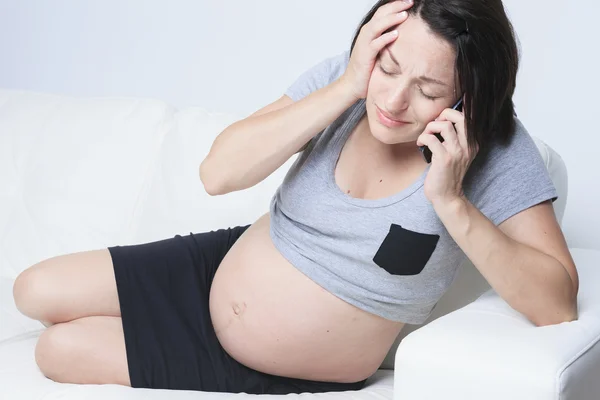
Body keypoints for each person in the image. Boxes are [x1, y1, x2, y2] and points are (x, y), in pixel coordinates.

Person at [13, 0, 579, 395]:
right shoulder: (347, 82)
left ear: (468, 101)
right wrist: (347, 86)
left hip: (285, 360)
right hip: (221, 266)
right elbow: (218, 172)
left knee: (56, 352)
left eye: (428, 91)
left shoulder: (497, 149)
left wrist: (453, 202)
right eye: (388, 67)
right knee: (33, 288)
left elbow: (554, 302)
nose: (394, 100)